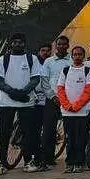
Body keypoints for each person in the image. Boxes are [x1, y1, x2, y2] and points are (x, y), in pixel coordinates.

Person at [0, 33, 42, 176]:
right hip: (6, 102)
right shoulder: (3, 59)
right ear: (10, 44)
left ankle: (28, 161)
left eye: (20, 42)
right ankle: (0, 162)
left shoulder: (32, 59)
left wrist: (22, 93)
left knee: (28, 134)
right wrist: (14, 93)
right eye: (15, 42)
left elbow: (35, 79)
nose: (17, 44)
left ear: (25, 44)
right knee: (4, 134)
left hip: (27, 102)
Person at [56, 46, 90, 173]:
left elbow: (89, 90)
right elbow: (60, 89)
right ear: (72, 56)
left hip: (83, 111)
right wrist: (67, 105)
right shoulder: (65, 70)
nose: (77, 56)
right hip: (67, 111)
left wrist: (77, 106)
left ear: (83, 56)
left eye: (80, 54)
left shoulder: (88, 71)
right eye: (75, 54)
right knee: (69, 138)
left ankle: (79, 162)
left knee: (81, 137)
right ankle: (70, 162)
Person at [39, 36, 71, 169]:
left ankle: (72, 158)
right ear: (56, 46)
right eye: (59, 44)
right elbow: (44, 81)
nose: (62, 46)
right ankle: (48, 158)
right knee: (48, 130)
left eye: (64, 44)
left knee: (70, 130)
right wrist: (52, 96)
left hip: (70, 100)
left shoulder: (72, 60)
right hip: (52, 99)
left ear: (68, 45)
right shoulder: (49, 61)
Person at [29, 43, 52, 171]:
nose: (45, 53)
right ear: (39, 52)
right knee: (34, 130)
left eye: (48, 51)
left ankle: (44, 157)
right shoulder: (33, 63)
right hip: (33, 100)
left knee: (46, 131)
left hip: (47, 101)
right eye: (43, 50)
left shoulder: (49, 63)